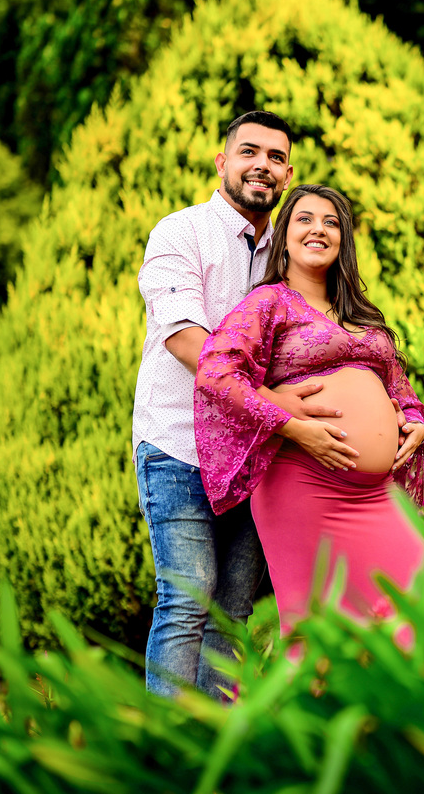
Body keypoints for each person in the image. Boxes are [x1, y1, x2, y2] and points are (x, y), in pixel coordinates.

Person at [133, 112, 361, 698]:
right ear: (223, 162)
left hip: (254, 457)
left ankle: (218, 747)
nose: (262, 164)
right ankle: (163, 752)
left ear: (288, 173)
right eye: (249, 152)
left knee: (231, 612)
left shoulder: (287, 252)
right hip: (179, 446)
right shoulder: (179, 233)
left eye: (276, 157)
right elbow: (187, 340)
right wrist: (275, 405)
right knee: (186, 599)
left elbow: (328, 338)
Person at [193, 183, 424, 645]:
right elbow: (216, 374)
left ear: (343, 239)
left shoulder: (361, 315)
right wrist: (293, 426)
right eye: (305, 219)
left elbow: (403, 395)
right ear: (285, 236)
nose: (319, 229)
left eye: (331, 222)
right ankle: (314, 717)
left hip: (377, 495)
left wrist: (415, 423)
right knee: (325, 635)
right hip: (303, 485)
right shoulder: (268, 303)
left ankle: (415, 717)